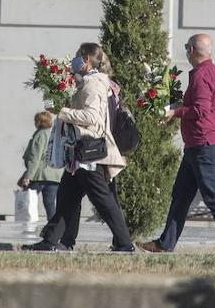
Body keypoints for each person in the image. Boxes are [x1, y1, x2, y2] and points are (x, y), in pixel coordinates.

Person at [23, 43, 134, 252]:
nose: (73, 60)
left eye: (76, 56)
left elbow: (92, 117)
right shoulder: (89, 82)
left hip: (90, 153)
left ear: (86, 59)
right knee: (67, 197)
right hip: (79, 151)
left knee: (103, 200)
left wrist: (62, 111)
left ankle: (124, 243)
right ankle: (56, 241)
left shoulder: (93, 84)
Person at [138, 33, 215, 254]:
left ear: (192, 50)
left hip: (204, 145)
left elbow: (200, 110)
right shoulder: (211, 72)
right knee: (181, 196)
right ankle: (165, 244)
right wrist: (177, 107)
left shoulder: (202, 75)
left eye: (187, 47)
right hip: (196, 145)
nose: (186, 51)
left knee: (214, 196)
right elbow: (200, 105)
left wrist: (175, 112)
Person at [18, 111, 62, 219]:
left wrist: (28, 176)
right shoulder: (55, 134)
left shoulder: (40, 135)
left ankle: (26, 221)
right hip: (55, 176)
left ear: (39, 122)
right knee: (50, 203)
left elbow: (35, 157)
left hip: (40, 175)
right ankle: (53, 225)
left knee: (27, 199)